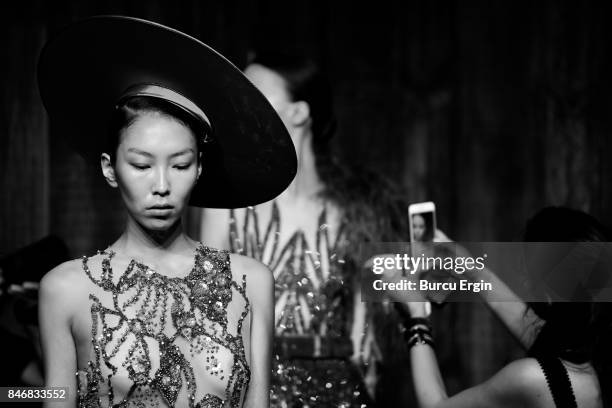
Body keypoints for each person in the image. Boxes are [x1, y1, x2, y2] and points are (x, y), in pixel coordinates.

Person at [37, 16, 297, 408]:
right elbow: (53, 397)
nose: (161, 185)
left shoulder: (252, 282)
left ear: (199, 170)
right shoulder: (65, 289)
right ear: (110, 169)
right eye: (142, 165)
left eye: (179, 165)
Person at [200, 51, 408, 407]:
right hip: (250, 386)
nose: (239, 102)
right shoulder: (226, 209)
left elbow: (368, 330)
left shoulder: (352, 211)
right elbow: (208, 318)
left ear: (299, 112)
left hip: (340, 391)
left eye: (253, 91)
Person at [399, 207, 611, 407]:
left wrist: (416, 317)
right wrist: (472, 271)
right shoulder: (590, 350)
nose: (526, 283)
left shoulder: (530, 380)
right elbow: (542, 341)